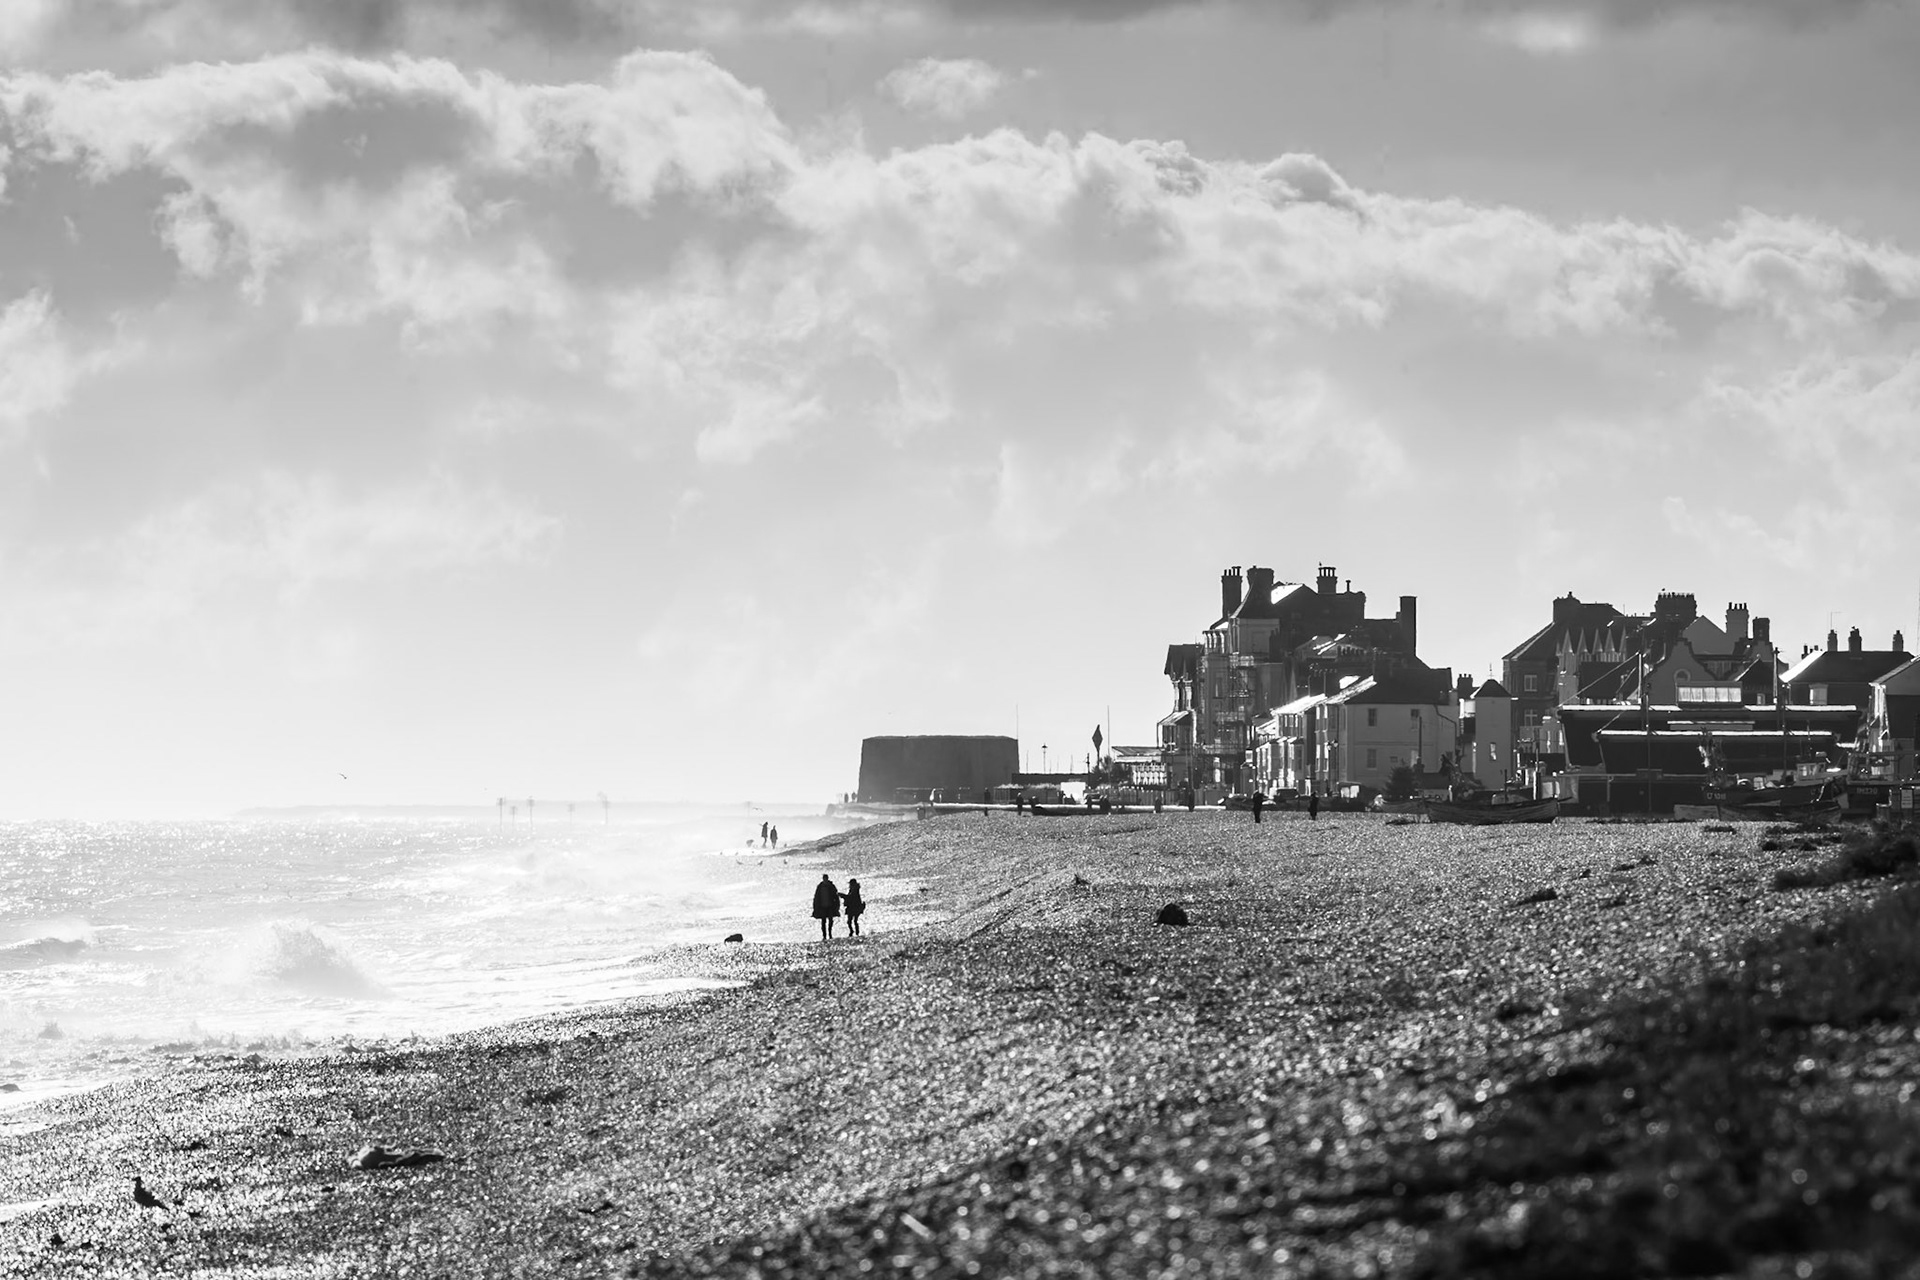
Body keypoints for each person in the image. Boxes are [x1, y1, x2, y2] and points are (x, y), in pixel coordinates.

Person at [811, 874, 841, 941]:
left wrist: (837, 906)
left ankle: (830, 934)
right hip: (822, 907)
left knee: (830, 920)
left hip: (830, 906)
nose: (825, 880)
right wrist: (815, 907)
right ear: (823, 879)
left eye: (826, 878)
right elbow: (816, 897)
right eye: (824, 879)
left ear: (827, 878)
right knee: (823, 921)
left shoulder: (831, 886)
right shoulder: (820, 887)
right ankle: (824, 935)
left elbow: (836, 896)